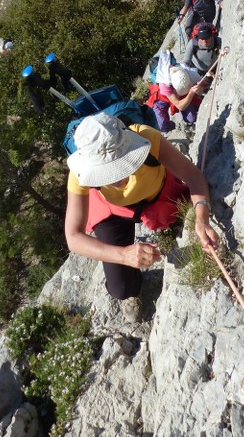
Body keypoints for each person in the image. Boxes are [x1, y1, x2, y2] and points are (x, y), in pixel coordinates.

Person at [65, 112, 220, 322]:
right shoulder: (79, 174)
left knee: (186, 207)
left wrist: (201, 217)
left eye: (121, 165)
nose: (118, 178)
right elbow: (73, 237)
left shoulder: (147, 137)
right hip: (113, 211)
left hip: (158, 194)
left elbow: (192, 176)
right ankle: (133, 289)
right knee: (121, 288)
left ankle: (170, 216)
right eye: (107, 173)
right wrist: (124, 255)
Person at [149, 55, 203, 132]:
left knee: (191, 117)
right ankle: (174, 127)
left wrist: (199, 89)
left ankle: (185, 116)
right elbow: (180, 105)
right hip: (162, 97)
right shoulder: (163, 85)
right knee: (163, 126)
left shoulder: (186, 73)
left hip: (180, 91)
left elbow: (202, 85)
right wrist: (190, 94)